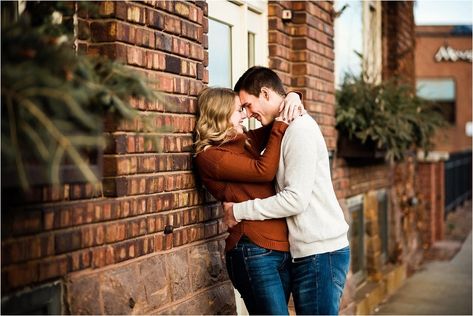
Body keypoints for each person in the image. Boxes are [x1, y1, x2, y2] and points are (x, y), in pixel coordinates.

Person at [224, 66, 350, 315]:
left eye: (248, 105)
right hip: (310, 252)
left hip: (321, 253)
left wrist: (239, 210)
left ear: (265, 93)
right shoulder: (282, 126)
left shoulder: (298, 129)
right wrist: (294, 94)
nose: (248, 114)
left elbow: (295, 200)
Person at [193, 87, 303, 315]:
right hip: (252, 250)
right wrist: (280, 126)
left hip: (281, 248)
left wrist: (294, 95)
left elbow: (275, 121)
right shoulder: (211, 156)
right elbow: (263, 171)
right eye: (238, 110)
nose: (244, 115)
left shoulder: (244, 142)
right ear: (220, 115)